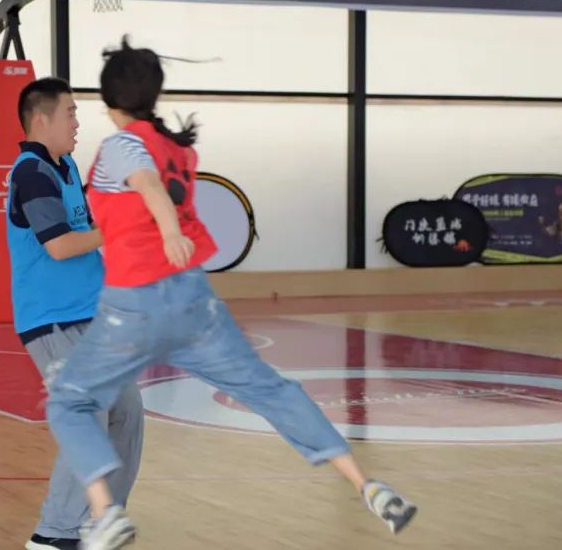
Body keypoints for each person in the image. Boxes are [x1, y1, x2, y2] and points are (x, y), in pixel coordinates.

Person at [44, 39, 418, 550]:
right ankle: (367, 485)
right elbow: (156, 185)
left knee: (69, 401)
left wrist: (168, 231)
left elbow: (147, 184)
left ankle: (105, 513)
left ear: (108, 99)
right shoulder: (180, 149)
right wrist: (172, 234)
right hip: (193, 300)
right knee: (272, 390)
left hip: (135, 303)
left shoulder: (120, 146)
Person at [6, 77, 145, 550]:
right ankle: (54, 535)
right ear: (40, 119)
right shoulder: (32, 174)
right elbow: (61, 245)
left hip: (91, 316)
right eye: (70, 113)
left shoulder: (63, 167)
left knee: (126, 412)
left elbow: (89, 229)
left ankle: (100, 521)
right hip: (51, 321)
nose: (77, 123)